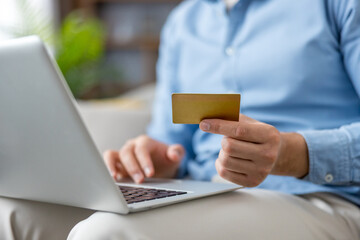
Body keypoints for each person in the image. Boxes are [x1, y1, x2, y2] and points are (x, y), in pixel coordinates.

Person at [1, 0, 360, 239]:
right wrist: (153, 159)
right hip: (202, 192)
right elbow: (172, 143)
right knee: (12, 214)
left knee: (106, 234)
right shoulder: (183, 24)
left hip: (321, 199)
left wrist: (291, 153)